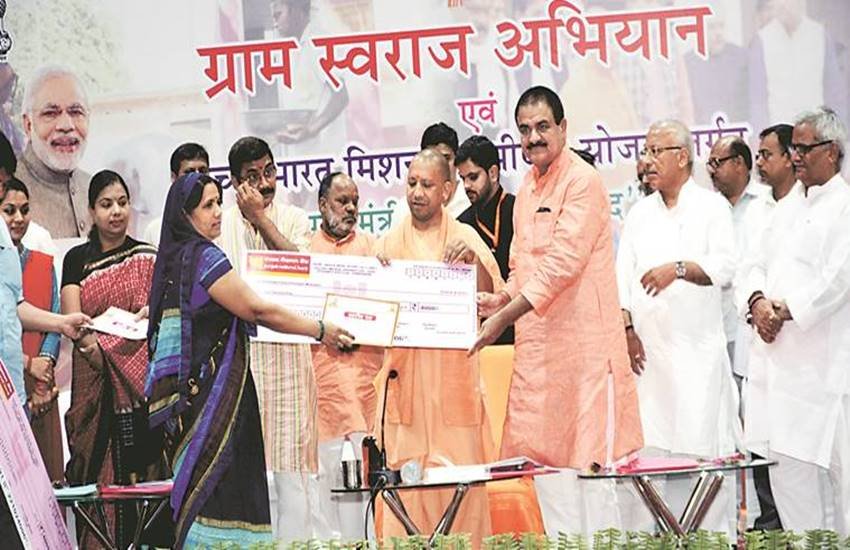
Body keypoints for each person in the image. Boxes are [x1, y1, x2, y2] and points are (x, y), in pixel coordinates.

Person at [145, 172, 352, 547]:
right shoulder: (204, 257)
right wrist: (320, 329)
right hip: (217, 406)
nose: (217, 213)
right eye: (207, 206)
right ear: (185, 214)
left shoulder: (174, 260)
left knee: (200, 496)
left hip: (189, 408)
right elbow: (257, 310)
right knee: (223, 491)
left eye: (217, 203)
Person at [472, 86, 643, 536]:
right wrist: (501, 299)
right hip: (539, 359)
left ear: (563, 128)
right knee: (547, 477)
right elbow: (522, 267)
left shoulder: (583, 181)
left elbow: (563, 264)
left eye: (542, 126)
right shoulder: (527, 189)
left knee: (591, 477)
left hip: (584, 356)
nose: (533, 138)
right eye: (524, 129)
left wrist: (504, 318)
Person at [616, 119, 740, 535]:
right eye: (645, 151)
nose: (647, 161)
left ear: (682, 157)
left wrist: (680, 269)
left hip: (696, 361)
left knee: (701, 464)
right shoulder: (639, 213)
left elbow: (725, 267)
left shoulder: (712, 207)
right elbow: (622, 278)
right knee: (651, 465)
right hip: (650, 363)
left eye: (656, 151)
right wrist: (627, 331)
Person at [374, 148, 501, 545]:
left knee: (462, 490)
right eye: (412, 183)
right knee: (406, 490)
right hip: (406, 394)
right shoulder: (388, 244)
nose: (417, 192)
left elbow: (493, 302)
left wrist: (473, 263)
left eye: (427, 185)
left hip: (454, 392)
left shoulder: (465, 238)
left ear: (447, 190)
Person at [739, 107, 850, 534]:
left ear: (832, 152)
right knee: (788, 480)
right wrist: (757, 304)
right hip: (780, 376)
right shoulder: (783, 209)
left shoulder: (843, 206)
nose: (796, 156)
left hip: (828, 373)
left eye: (804, 148)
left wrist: (784, 311)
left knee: (843, 486)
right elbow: (753, 264)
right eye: (795, 149)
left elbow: (839, 279)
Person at [215, 136, 319, 542]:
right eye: (252, 176)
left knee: (292, 474)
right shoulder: (220, 223)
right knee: (248, 470)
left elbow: (301, 268)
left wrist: (261, 219)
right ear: (234, 182)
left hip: (289, 359)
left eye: (269, 171)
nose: (264, 183)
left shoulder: (292, 218)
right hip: (241, 361)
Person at [60, 170, 167, 547]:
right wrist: (97, 348)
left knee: (150, 480)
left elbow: (160, 315)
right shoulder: (77, 259)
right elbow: (74, 321)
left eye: (122, 202)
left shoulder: (147, 256)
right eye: (106, 204)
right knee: (97, 480)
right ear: (91, 210)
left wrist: (146, 317)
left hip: (143, 390)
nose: (116, 211)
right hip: (96, 386)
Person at [309, 171, 383, 539]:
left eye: (355, 201)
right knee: (328, 498)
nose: (351, 208)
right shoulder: (305, 253)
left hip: (366, 391)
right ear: (322, 205)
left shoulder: (373, 249)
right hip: (324, 396)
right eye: (342, 201)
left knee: (369, 496)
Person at [734, 123, 798, 532]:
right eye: (757, 154)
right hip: (758, 344)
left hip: (799, 347)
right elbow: (745, 268)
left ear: (793, 157)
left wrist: (778, 312)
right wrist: (757, 304)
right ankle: (772, 528)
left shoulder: (811, 206)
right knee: (761, 444)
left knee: (801, 459)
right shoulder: (757, 210)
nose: (759, 162)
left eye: (767, 154)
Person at [0, 178, 63, 481]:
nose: (18, 218)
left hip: (43, 388)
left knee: (43, 479)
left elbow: (53, 317)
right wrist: (29, 364)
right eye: (9, 210)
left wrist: (43, 374)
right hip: (9, 381)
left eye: (25, 210)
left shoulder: (41, 263)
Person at [707, 136, 765, 378]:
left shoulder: (767, 201)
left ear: (739, 163)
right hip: (717, 326)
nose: (711, 171)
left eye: (717, 163)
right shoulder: (707, 208)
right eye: (709, 164)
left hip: (757, 324)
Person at [16, 65, 91, 238]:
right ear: (28, 125)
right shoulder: (6, 192)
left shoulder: (96, 188)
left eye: (76, 112)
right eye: (50, 113)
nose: (66, 125)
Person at [456, 135, 515, 344]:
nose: (467, 185)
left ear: (493, 173)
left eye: (473, 177)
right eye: (463, 178)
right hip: (482, 335)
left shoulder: (519, 211)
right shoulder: (461, 224)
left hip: (522, 324)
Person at [391, 122, 471, 228]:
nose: (440, 166)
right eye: (432, 159)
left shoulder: (470, 201)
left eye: (446, 158)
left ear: (456, 160)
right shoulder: (404, 210)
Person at [143, 142, 210, 246]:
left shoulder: (220, 224)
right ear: (174, 177)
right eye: (189, 172)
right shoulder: (155, 230)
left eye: (203, 171)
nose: (197, 178)